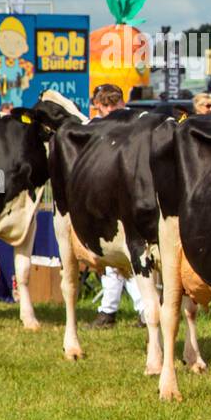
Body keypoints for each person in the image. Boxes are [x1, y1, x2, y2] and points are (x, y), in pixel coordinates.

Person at [87, 84, 146, 328]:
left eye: (111, 105)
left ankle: (127, 311)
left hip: (118, 198)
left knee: (126, 255)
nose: (110, 110)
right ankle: (112, 310)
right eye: (107, 106)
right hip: (128, 196)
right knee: (120, 257)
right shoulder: (140, 122)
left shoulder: (98, 127)